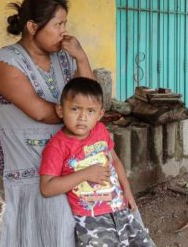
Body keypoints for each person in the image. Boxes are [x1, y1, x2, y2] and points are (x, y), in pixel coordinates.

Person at [0, 0, 94, 246]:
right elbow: (41, 113)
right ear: (32, 27)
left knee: (106, 196)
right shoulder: (4, 63)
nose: (63, 32)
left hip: (65, 152)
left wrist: (82, 57)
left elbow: (90, 98)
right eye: (57, 25)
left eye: (64, 24)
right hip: (25, 159)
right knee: (59, 214)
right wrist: (83, 114)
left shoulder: (63, 56)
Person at [39, 77, 155, 246]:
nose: (82, 117)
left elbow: (114, 161)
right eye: (75, 109)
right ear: (60, 110)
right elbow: (47, 188)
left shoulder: (100, 131)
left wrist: (127, 192)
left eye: (90, 111)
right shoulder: (57, 146)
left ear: (100, 114)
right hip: (91, 220)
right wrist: (86, 174)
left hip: (120, 208)